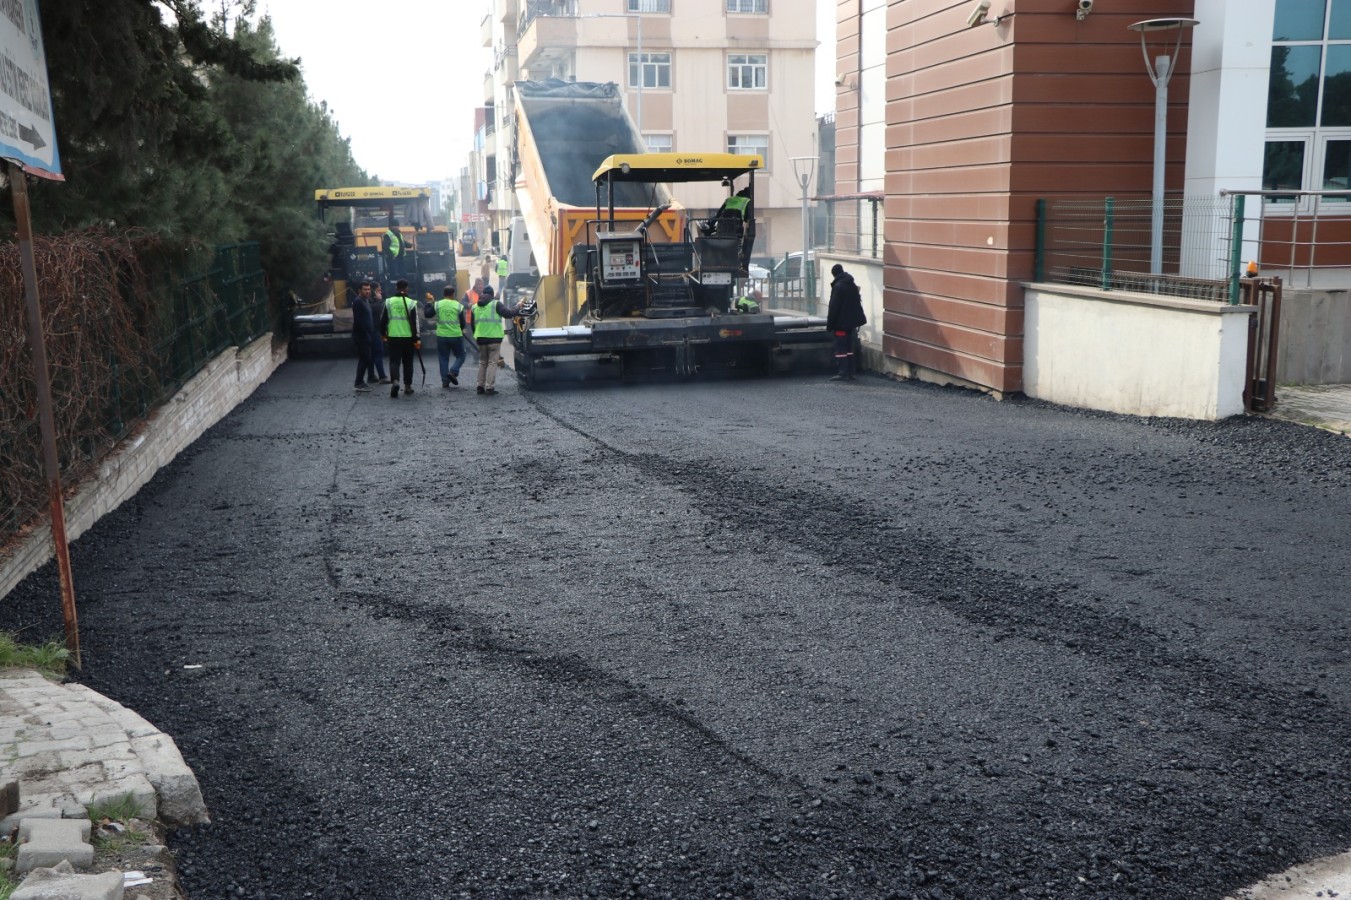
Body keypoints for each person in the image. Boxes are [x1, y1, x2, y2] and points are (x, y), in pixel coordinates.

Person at [468, 285, 533, 395]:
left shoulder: (474, 307)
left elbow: (473, 325)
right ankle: (489, 387)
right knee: (492, 363)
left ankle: (480, 386)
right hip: (494, 339)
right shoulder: (495, 304)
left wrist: (476, 335)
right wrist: (518, 306)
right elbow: (509, 314)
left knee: (483, 362)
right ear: (492, 295)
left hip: (480, 339)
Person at [380, 279, 420, 398]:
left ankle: (395, 381)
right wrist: (417, 338)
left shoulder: (388, 302)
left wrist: (383, 334)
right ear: (406, 288)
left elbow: (383, 320)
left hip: (393, 336)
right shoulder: (411, 303)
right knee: (408, 362)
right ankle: (407, 386)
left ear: (396, 288)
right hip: (408, 338)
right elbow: (415, 322)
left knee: (394, 361)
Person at [826, 263, 867, 381]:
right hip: (851, 324)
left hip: (841, 325)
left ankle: (842, 372)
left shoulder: (838, 287)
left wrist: (830, 325)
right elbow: (857, 303)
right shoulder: (852, 284)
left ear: (834, 274)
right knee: (850, 349)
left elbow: (833, 307)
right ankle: (851, 373)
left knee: (841, 349)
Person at [426, 285, 468, 388]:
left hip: (441, 336)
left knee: (443, 358)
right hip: (455, 335)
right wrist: (461, 329)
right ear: (453, 294)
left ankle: (445, 381)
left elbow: (427, 314)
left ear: (444, 294)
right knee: (461, 355)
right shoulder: (458, 306)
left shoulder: (438, 304)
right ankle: (453, 371)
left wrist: (429, 302)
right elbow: (462, 323)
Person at [351, 281, 376, 392]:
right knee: (364, 358)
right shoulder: (358, 302)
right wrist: (366, 332)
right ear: (359, 290)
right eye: (365, 289)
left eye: (368, 289)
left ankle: (363, 380)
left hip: (367, 334)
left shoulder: (366, 300)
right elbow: (359, 320)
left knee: (367, 358)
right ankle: (358, 382)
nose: (367, 291)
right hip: (361, 335)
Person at [369, 282, 390, 384]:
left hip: (376, 329)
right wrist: (380, 301)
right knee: (378, 352)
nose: (380, 292)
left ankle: (371, 375)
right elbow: (374, 310)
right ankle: (382, 376)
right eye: (378, 290)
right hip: (374, 330)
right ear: (373, 291)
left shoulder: (371, 300)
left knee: (373, 354)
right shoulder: (369, 301)